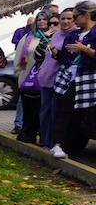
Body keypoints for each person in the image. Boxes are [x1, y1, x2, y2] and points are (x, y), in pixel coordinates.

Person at [49, 1, 96, 159]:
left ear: (86, 15)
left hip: (89, 79)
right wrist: (52, 48)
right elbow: (63, 57)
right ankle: (57, 146)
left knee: (83, 114)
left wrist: (85, 49)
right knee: (63, 112)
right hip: (67, 78)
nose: (72, 20)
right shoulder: (73, 35)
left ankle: (71, 146)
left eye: (75, 16)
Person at [36, 8, 76, 149]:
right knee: (45, 113)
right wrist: (43, 43)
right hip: (45, 78)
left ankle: (55, 143)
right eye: (62, 19)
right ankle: (45, 142)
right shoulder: (54, 35)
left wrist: (52, 48)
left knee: (56, 114)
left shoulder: (74, 36)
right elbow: (39, 56)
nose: (65, 21)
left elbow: (64, 58)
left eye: (69, 19)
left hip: (62, 82)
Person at [12, 10, 51, 135]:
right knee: (26, 106)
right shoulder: (28, 37)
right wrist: (19, 74)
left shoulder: (54, 37)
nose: (42, 22)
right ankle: (22, 128)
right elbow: (18, 57)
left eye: (44, 19)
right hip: (28, 78)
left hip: (47, 78)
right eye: (39, 19)